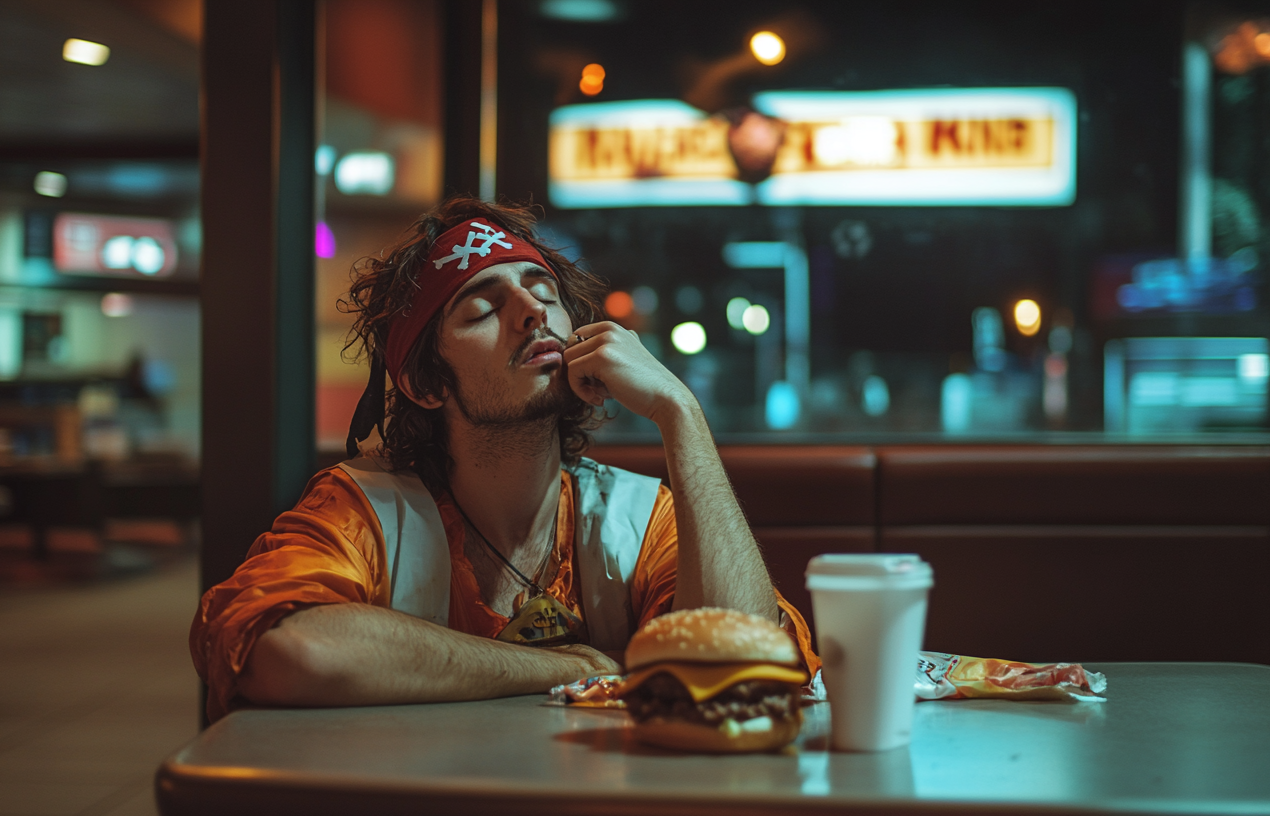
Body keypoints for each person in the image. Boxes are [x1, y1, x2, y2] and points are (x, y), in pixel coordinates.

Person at [190, 197, 818, 721]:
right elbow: (288, 650)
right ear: (426, 385)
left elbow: (748, 667)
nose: (531, 312)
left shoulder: (635, 518)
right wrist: (560, 667)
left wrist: (681, 415)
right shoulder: (365, 512)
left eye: (543, 291)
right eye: (484, 309)